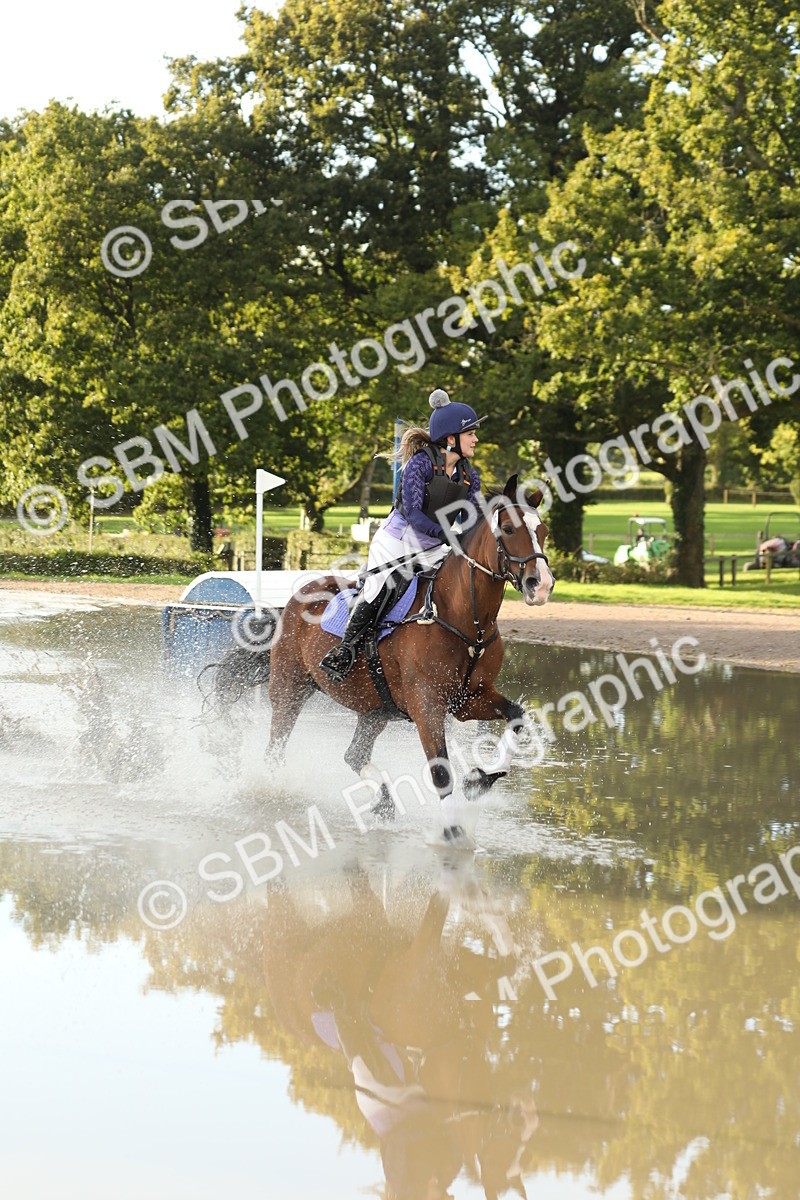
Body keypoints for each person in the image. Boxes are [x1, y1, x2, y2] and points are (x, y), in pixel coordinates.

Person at [319, 388, 485, 683]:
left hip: (435, 547)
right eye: (470, 434)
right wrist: (447, 534)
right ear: (451, 439)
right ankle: (345, 649)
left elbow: (473, 518)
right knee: (382, 588)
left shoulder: (468, 475)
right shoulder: (421, 463)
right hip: (397, 542)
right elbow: (413, 514)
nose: (475, 439)